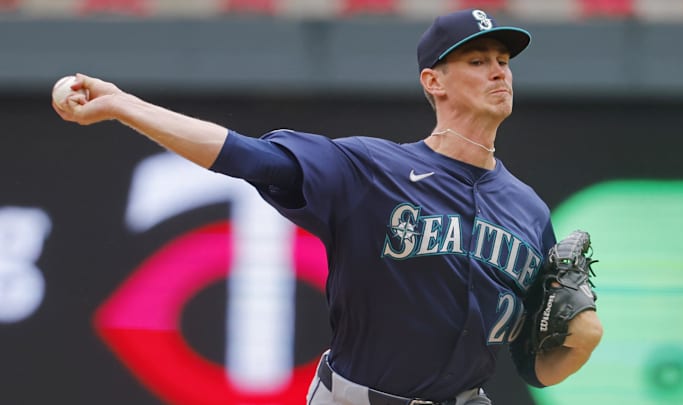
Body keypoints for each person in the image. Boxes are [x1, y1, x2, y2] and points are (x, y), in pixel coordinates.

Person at [53, 8, 602, 405]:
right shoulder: (369, 170)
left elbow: (536, 369)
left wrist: (581, 341)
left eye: (503, 60)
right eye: (478, 60)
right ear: (433, 82)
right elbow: (243, 155)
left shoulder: (528, 210)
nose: (498, 72)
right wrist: (124, 106)